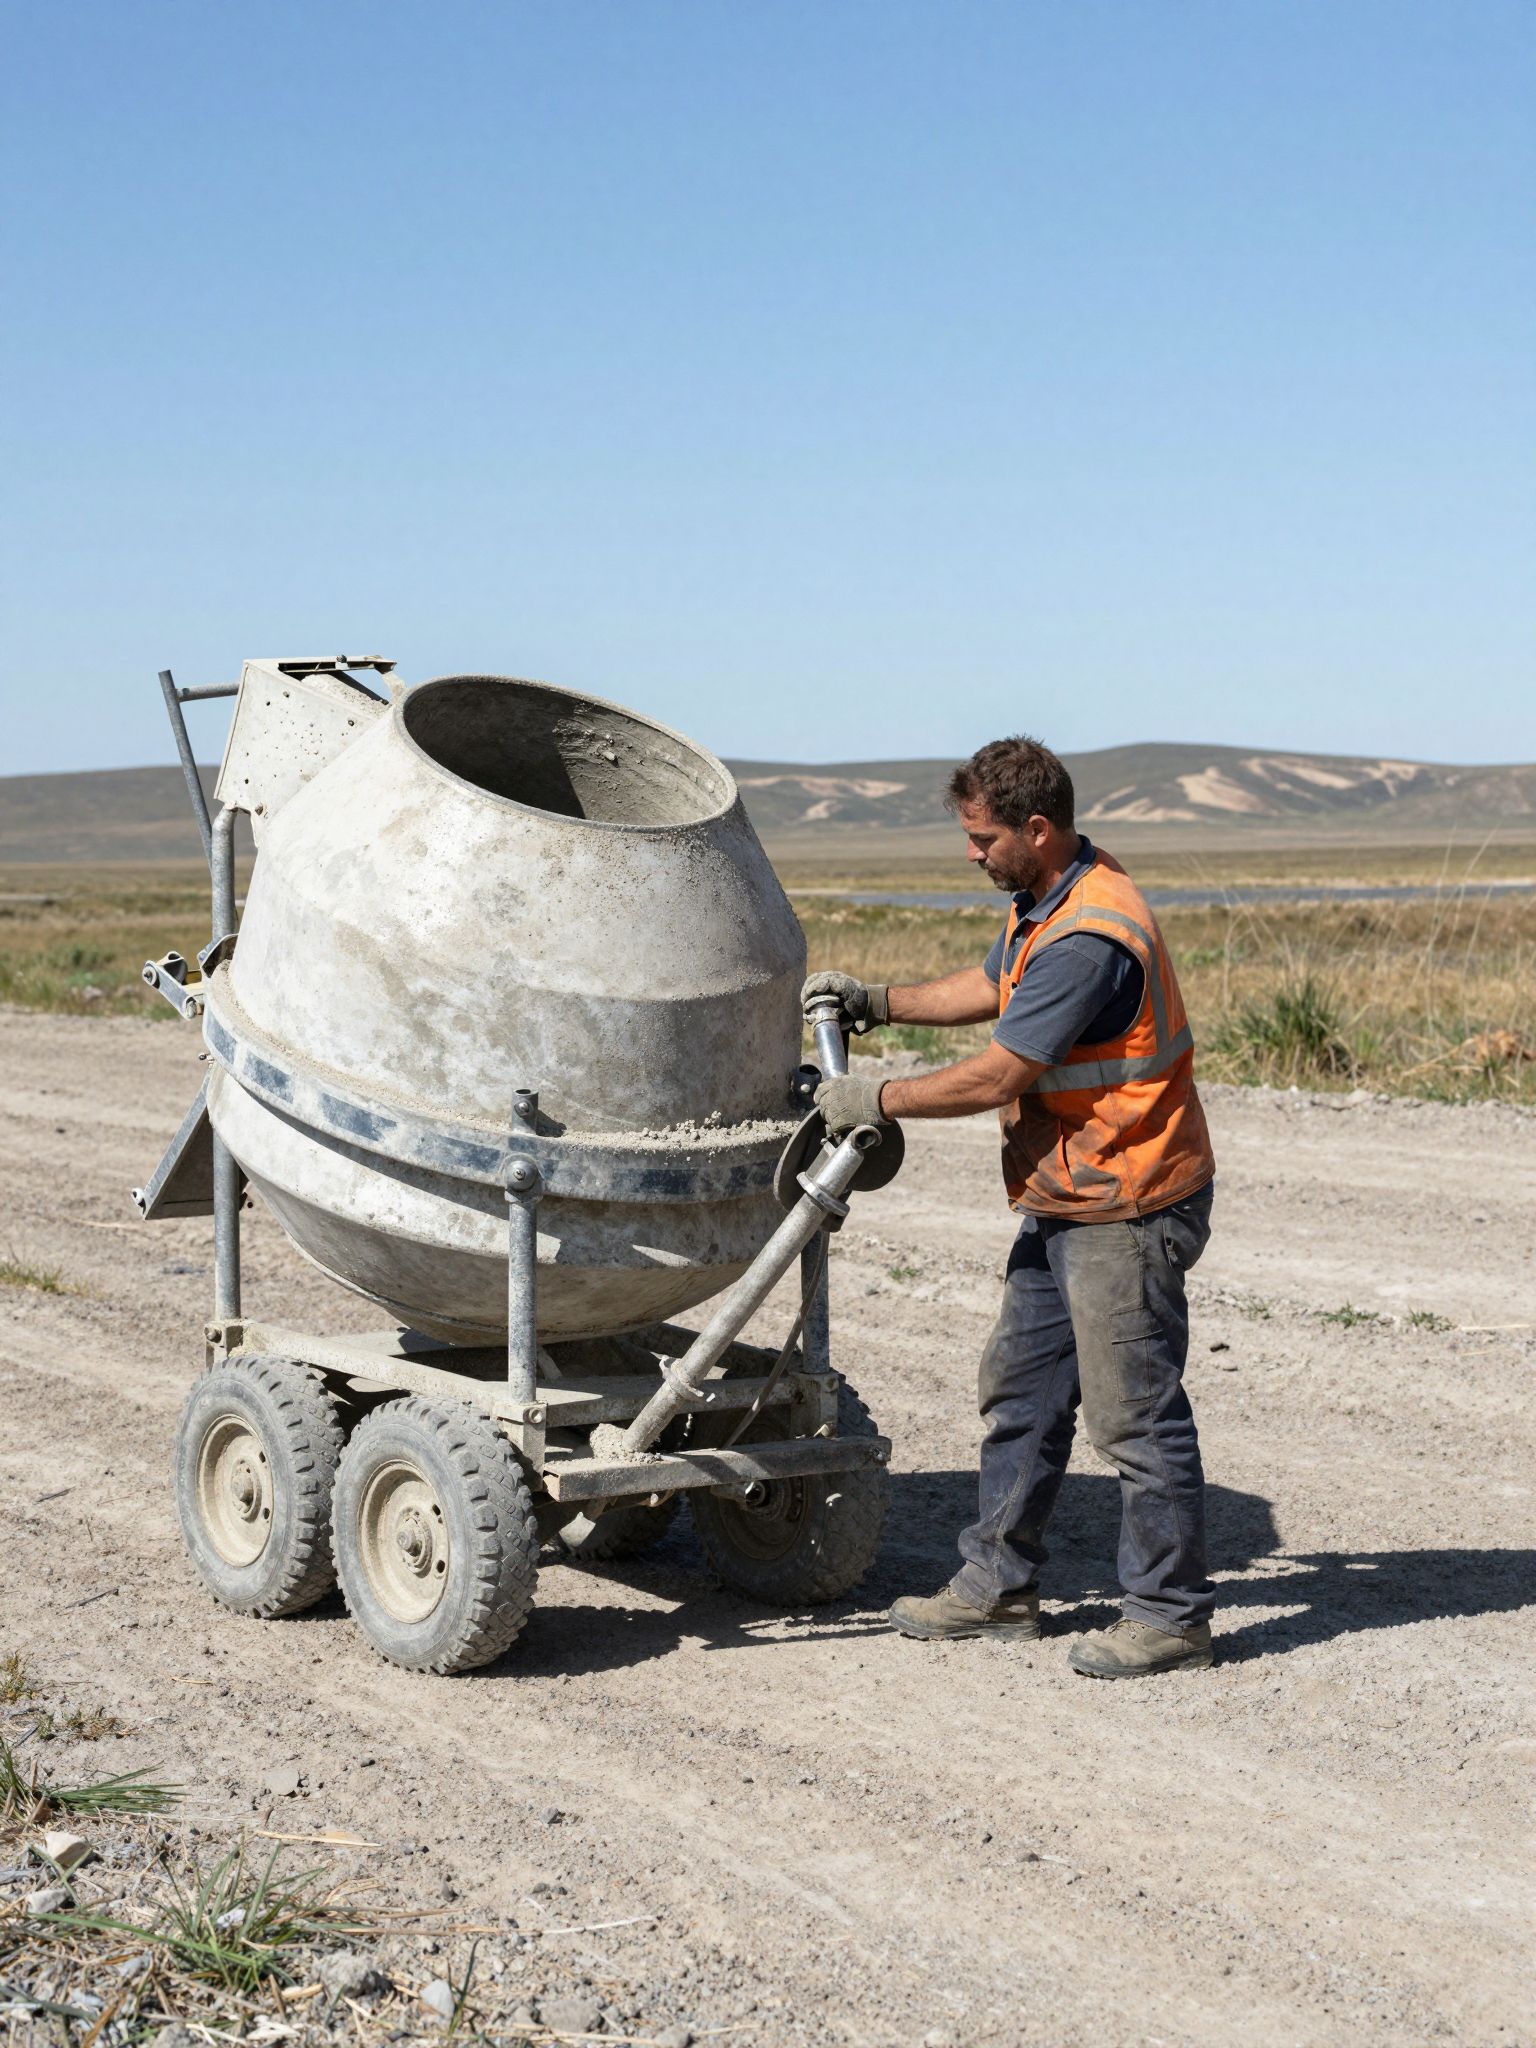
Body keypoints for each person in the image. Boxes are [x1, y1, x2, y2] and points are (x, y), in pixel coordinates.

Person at [806, 736, 1217, 1677]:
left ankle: (1171, 1617)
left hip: (1127, 1202)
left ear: (1037, 828)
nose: (971, 854)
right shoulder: (1052, 895)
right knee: (1022, 1394)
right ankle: (997, 1589)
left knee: (1135, 1417)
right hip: (1070, 1193)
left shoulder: (1086, 938)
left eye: (983, 838)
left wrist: (878, 1098)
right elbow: (993, 986)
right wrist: (879, 1000)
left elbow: (1001, 1073)